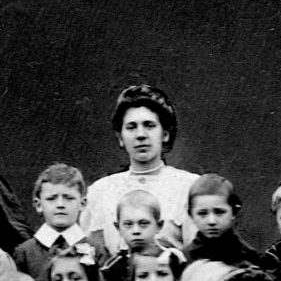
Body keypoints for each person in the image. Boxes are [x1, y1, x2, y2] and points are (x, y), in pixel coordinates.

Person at [83, 85, 199, 259]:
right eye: (131, 127)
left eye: (149, 125)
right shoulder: (100, 191)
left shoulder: (189, 187)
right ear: (121, 138)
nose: (141, 135)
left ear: (165, 134)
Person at [13, 164, 91, 281]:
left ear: (82, 204)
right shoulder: (24, 253)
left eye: (69, 198)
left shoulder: (95, 249)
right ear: (38, 205)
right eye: (51, 199)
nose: (60, 205)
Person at [95, 190, 169, 281]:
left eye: (143, 223)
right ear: (118, 227)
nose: (136, 231)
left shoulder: (170, 260)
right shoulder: (111, 270)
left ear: (159, 225)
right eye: (128, 224)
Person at [181, 174, 264, 269]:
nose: (211, 221)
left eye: (219, 212)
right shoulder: (183, 259)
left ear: (234, 212)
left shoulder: (250, 258)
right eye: (203, 213)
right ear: (191, 215)